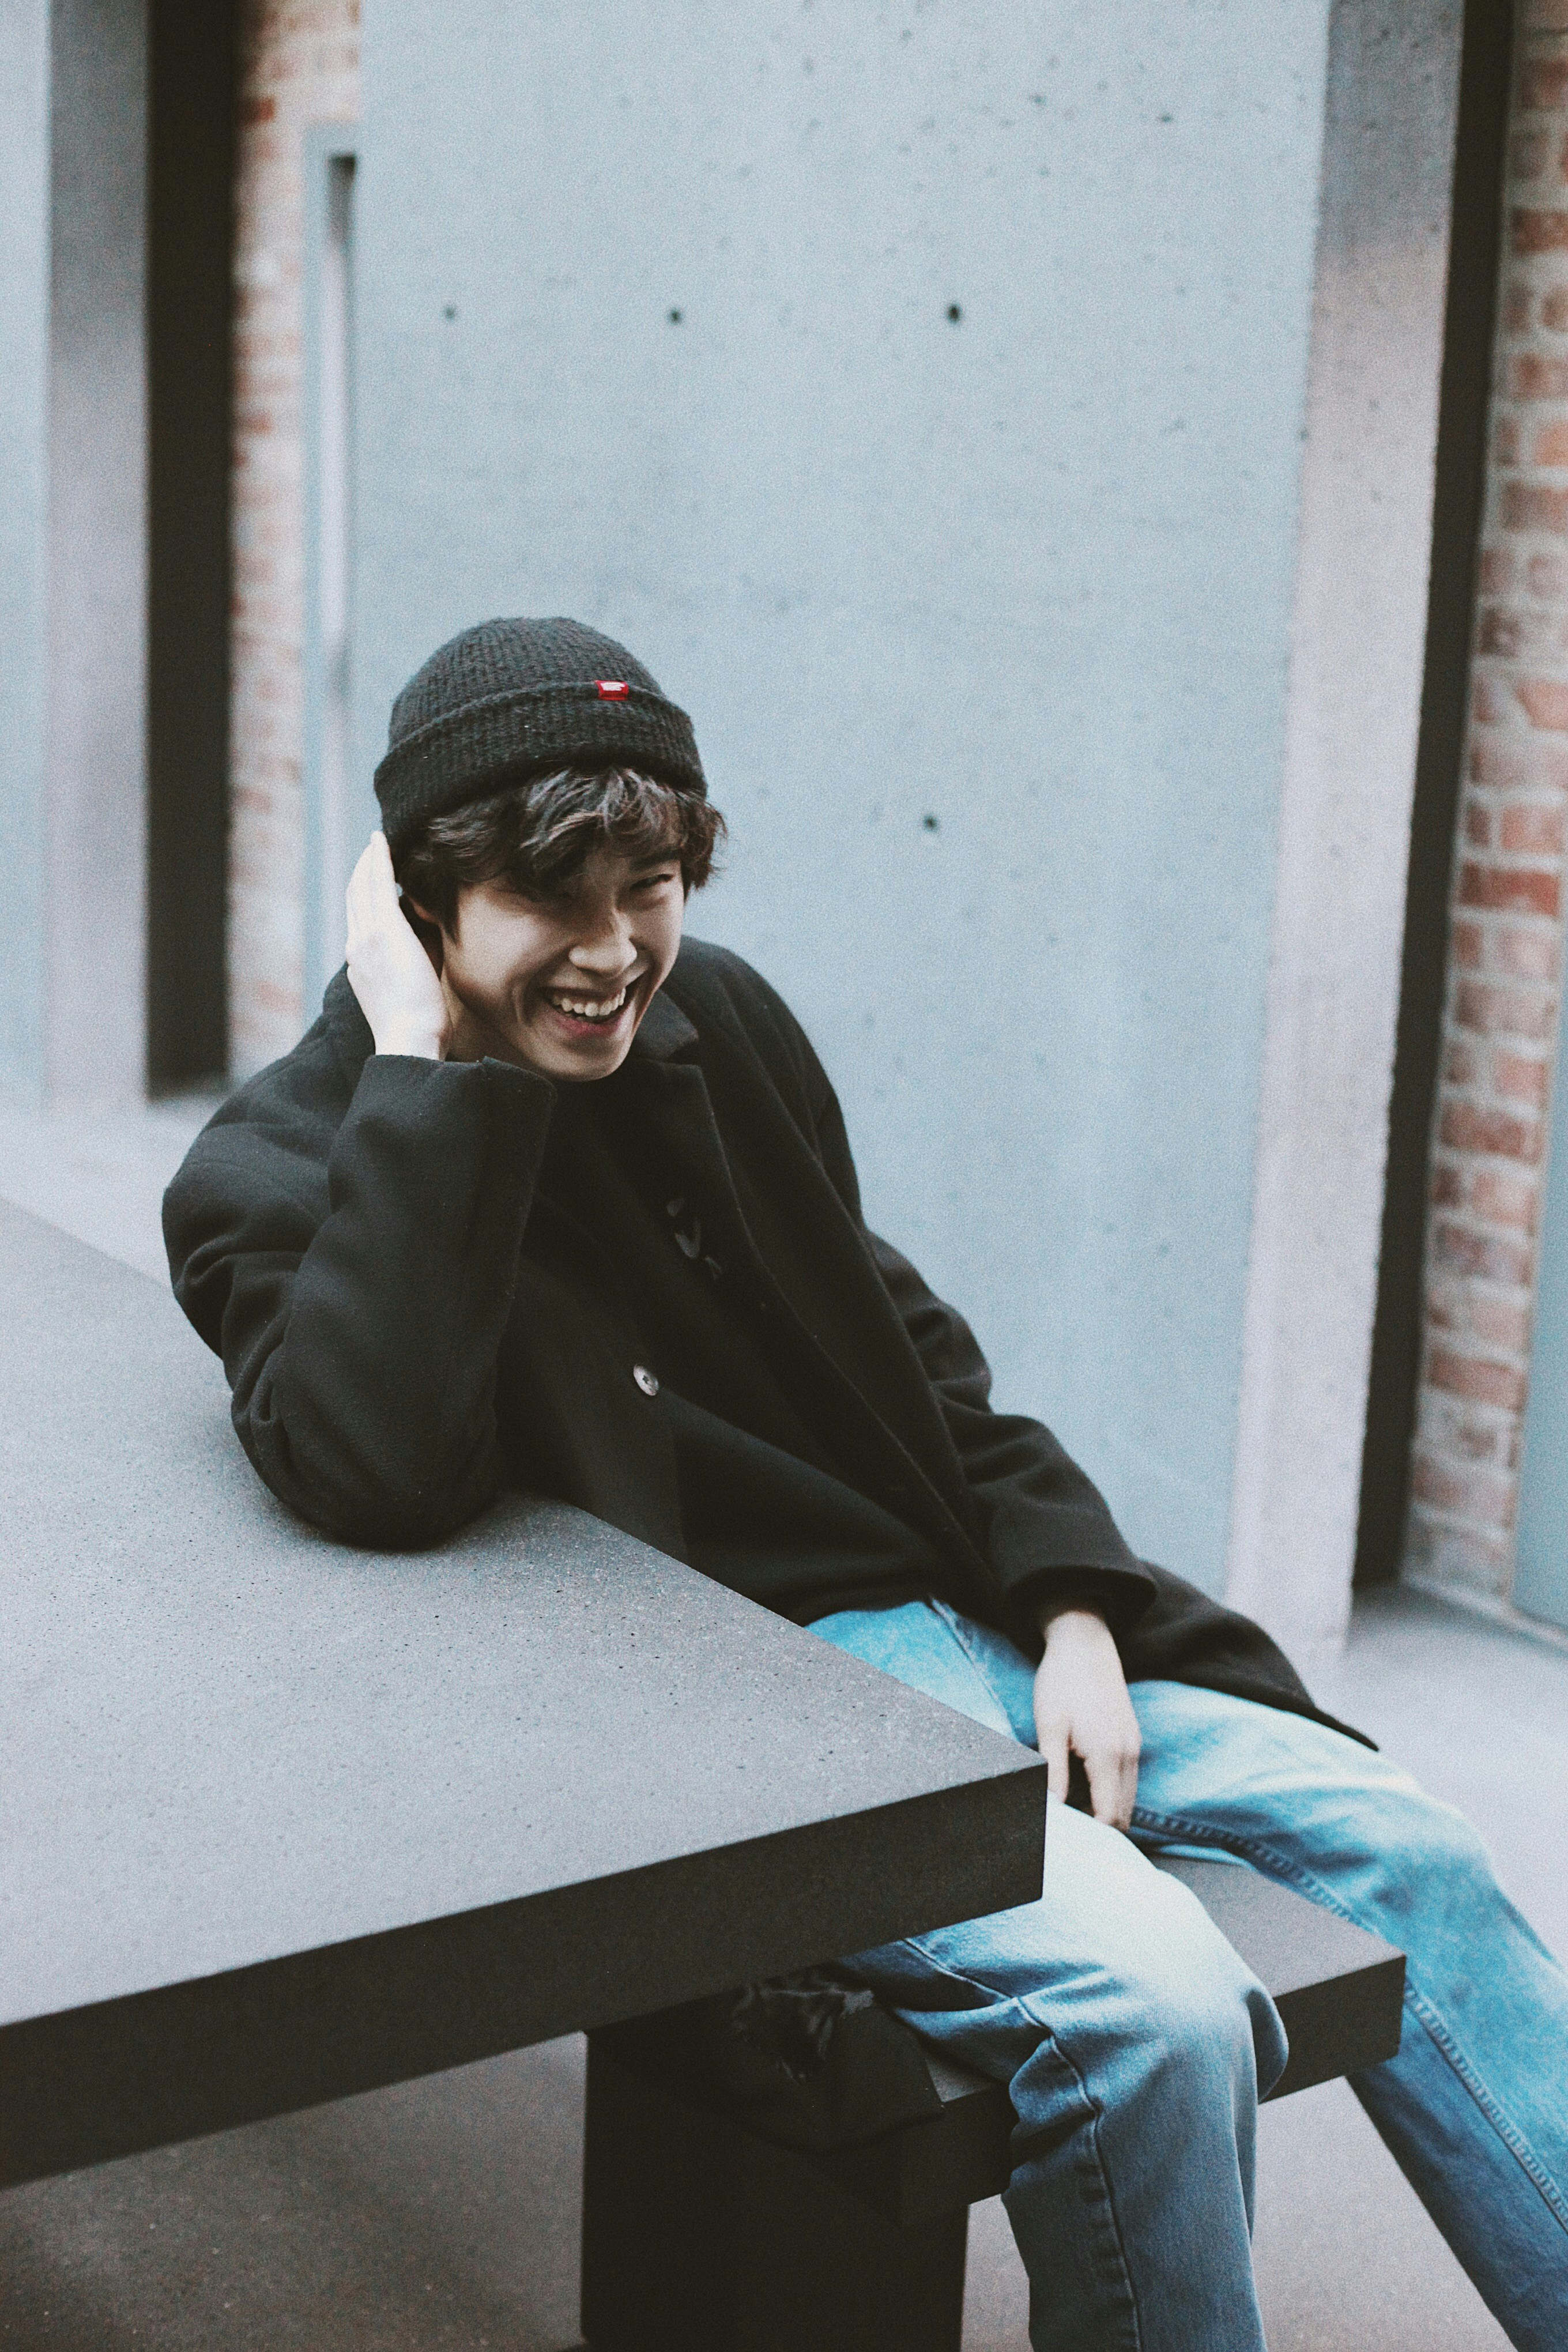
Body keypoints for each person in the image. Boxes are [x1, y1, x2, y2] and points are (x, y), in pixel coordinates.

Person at [164, 616, 1568, 2351]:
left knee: (1413, 1849)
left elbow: (908, 1349)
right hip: (769, 1733)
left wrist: (1072, 1607)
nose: (613, 953)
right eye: (551, 900)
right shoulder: (282, 1169)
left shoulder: (719, 1027)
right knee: (1164, 2012)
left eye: (650, 889)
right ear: (419, 904)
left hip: (985, 1630)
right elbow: (369, 1465)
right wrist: (422, 1070)